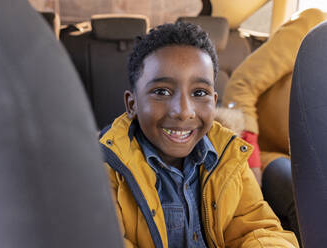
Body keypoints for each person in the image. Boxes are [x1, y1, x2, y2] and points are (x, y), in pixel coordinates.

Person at [100, 22, 298, 248]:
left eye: (199, 93)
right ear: (132, 103)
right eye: (162, 92)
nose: (184, 111)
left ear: (213, 102)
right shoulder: (106, 171)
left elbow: (257, 228)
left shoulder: (228, 157)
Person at [222, 8, 327, 242]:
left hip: (318, 159)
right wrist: (252, 161)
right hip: (269, 152)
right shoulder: (311, 26)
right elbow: (240, 86)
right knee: (302, 190)